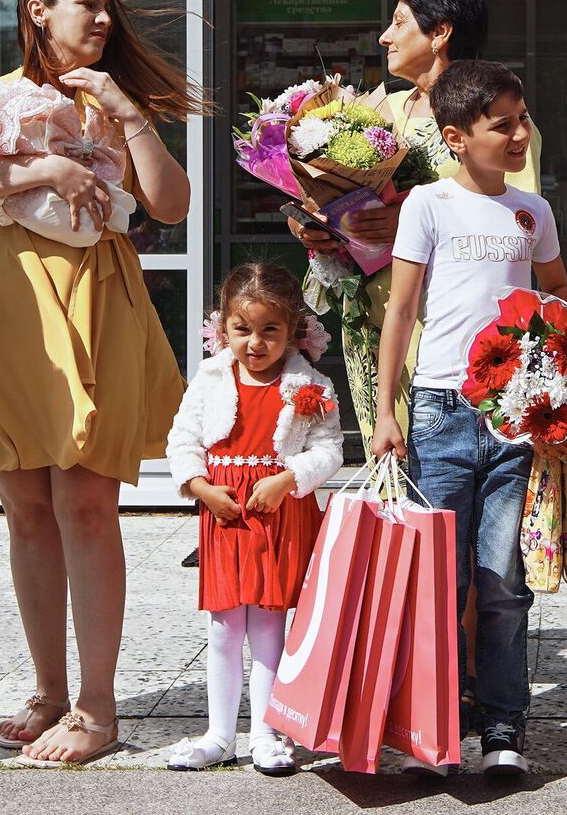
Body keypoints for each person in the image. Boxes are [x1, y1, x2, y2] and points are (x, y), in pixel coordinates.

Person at [0, 0, 202, 765]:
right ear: (39, 12)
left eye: (108, 7)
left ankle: (97, 705)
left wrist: (125, 113)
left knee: (84, 501)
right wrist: (44, 166)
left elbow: (171, 205)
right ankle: (48, 691)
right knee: (25, 504)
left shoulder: (117, 103)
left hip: (100, 298)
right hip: (11, 303)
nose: (104, 18)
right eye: (88, 5)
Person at [372, 59, 567, 778]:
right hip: (437, 414)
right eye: (503, 125)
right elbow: (399, 310)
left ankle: (502, 726)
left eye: (522, 120)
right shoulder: (426, 204)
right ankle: (429, 725)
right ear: (457, 137)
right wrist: (383, 414)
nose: (520, 134)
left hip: (513, 419)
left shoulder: (534, 212)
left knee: (500, 581)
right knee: (437, 581)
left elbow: (557, 298)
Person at [289, 0, 540, 448]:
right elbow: (330, 189)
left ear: (440, 32)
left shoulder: (498, 123)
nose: (385, 37)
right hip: (370, 313)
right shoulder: (380, 112)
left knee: (442, 470)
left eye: (399, 22)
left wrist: (412, 221)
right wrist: (316, 223)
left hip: (444, 323)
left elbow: (518, 220)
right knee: (385, 462)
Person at [162, 263, 343, 776]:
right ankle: (220, 734)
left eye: (270, 330)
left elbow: (329, 449)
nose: (256, 343)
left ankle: (266, 731)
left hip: (278, 511)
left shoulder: (310, 384)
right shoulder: (211, 377)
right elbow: (182, 440)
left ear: (292, 330)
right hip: (225, 511)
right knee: (223, 626)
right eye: (243, 330)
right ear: (223, 330)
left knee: (267, 623)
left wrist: (289, 478)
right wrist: (199, 488)